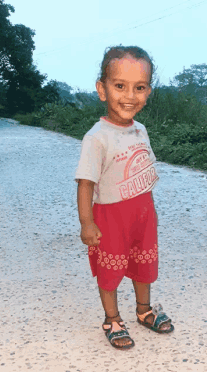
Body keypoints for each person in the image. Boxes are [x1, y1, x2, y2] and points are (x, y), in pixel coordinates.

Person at [75, 46, 174, 350]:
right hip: (111, 218)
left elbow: (143, 169)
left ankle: (143, 311)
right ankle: (112, 318)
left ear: (148, 92)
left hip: (143, 214)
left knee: (143, 265)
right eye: (120, 86)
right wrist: (86, 222)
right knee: (111, 269)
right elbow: (86, 183)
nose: (130, 96)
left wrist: (150, 210)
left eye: (139, 87)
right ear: (102, 90)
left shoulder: (140, 130)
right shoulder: (97, 137)